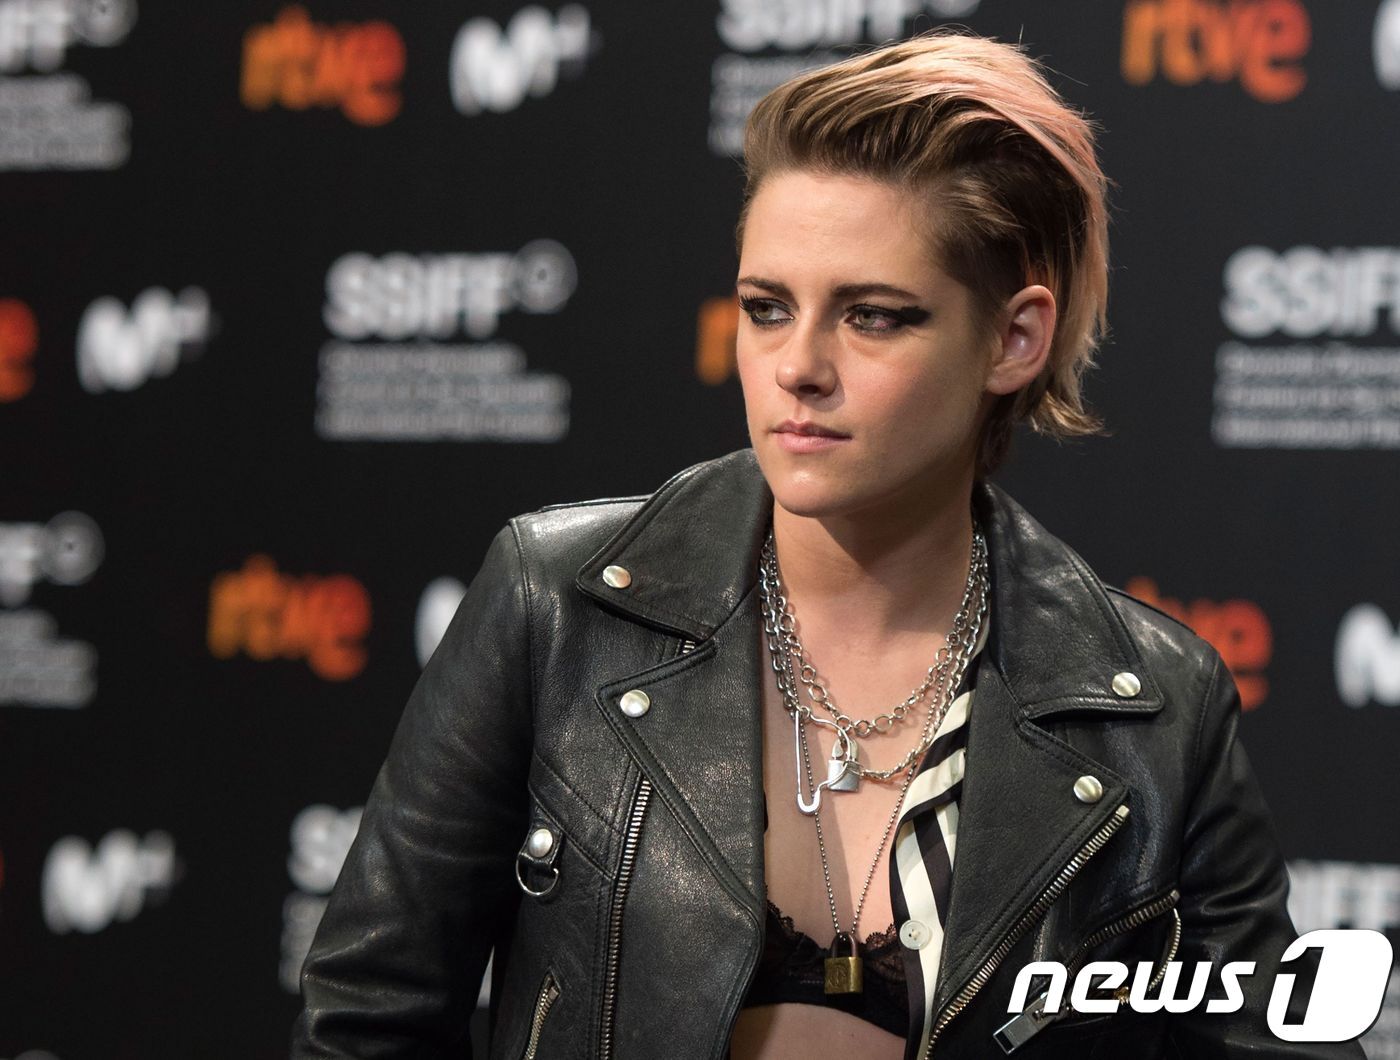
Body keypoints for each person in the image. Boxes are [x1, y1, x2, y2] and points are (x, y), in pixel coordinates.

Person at [292, 29, 1366, 1060]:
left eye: (873, 316)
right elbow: (369, 1019)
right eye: (767, 307)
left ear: (1013, 338)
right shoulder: (556, 604)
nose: (797, 366)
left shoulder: (1153, 711)